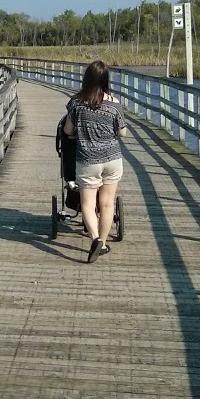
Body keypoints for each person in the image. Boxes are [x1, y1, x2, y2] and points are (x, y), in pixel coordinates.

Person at [63, 60, 127, 262]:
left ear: (86, 78)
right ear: (105, 79)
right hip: (112, 159)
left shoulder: (76, 103)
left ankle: (96, 238)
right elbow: (122, 132)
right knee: (107, 204)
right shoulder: (114, 103)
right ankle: (104, 243)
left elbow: (67, 131)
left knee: (88, 204)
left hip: (88, 160)